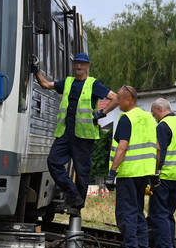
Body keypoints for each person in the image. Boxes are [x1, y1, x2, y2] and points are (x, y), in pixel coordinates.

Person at [33, 52, 119, 211]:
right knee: (53, 161)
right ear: (74, 65)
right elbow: (45, 84)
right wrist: (35, 69)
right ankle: (73, 195)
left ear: (88, 66)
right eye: (76, 63)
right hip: (65, 132)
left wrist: (102, 113)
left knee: (82, 171)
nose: (79, 66)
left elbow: (115, 98)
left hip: (84, 135)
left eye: (82, 64)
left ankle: (78, 204)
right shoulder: (67, 82)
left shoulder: (93, 84)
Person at [104, 85, 156, 248]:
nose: (117, 102)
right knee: (138, 212)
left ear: (128, 99)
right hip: (144, 172)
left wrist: (112, 172)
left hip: (128, 172)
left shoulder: (126, 119)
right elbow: (157, 147)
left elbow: (123, 146)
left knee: (126, 213)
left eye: (119, 99)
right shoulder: (149, 118)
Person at [146, 98, 176, 248]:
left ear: (159, 109)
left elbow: (159, 151)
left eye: (153, 113)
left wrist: (155, 174)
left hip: (165, 175)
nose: (153, 116)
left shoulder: (163, 126)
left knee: (159, 214)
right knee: (169, 214)